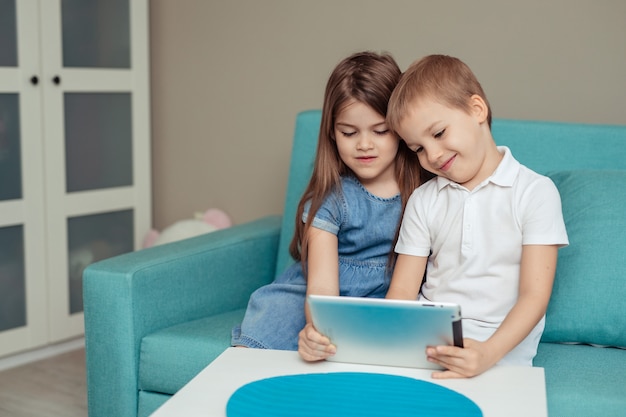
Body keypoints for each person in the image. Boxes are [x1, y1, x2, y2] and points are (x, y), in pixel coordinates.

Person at [231, 51, 432, 352]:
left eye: (380, 131)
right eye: (349, 133)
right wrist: (318, 329)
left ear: (401, 129)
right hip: (318, 294)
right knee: (277, 317)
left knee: (415, 328)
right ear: (332, 133)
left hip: (390, 295)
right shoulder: (332, 197)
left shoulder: (424, 192)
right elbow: (322, 288)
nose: (364, 144)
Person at [385, 54, 569, 378]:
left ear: (477, 110)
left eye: (439, 133)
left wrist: (488, 352)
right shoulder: (424, 200)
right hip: (427, 347)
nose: (432, 155)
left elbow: (534, 297)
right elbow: (401, 293)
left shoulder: (535, 192)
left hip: (500, 353)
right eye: (418, 149)